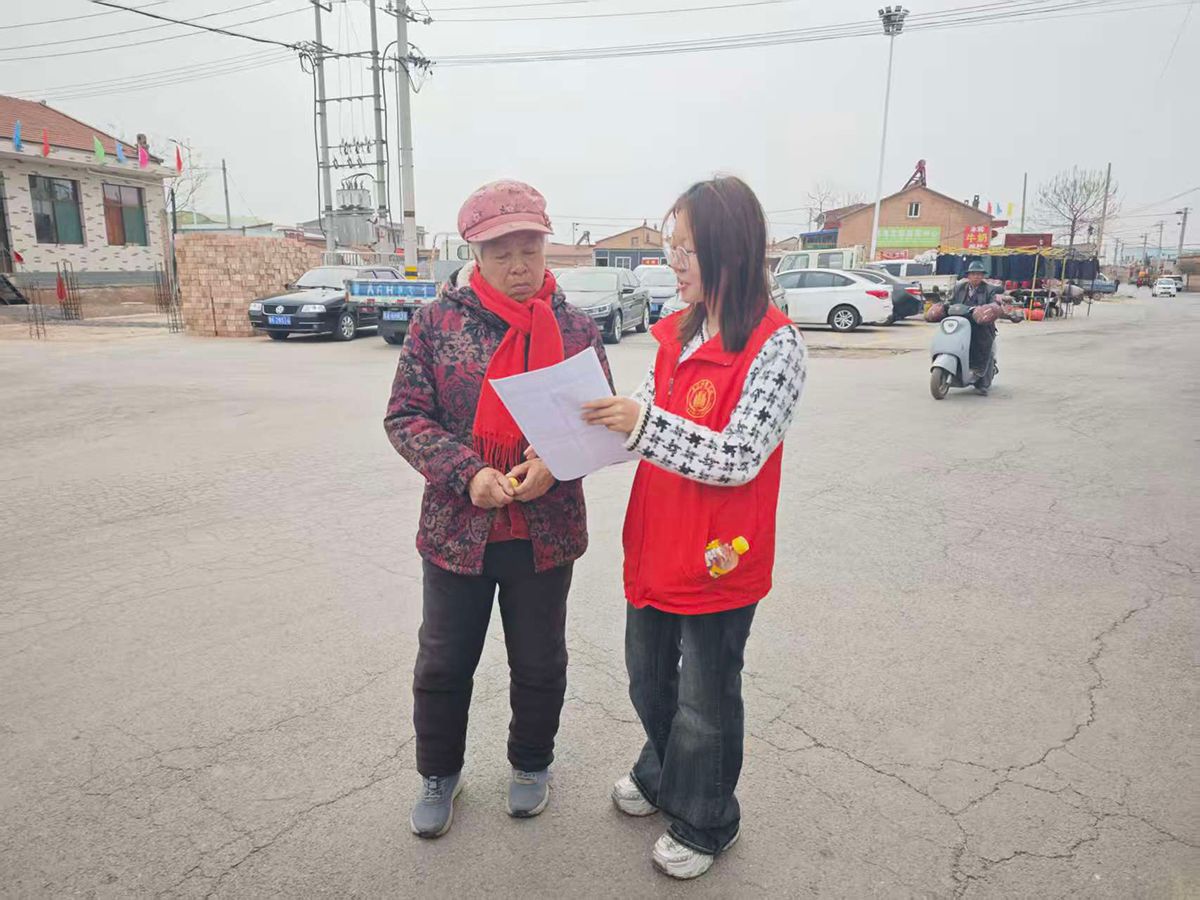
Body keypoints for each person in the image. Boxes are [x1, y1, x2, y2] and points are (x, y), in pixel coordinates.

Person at [583, 176, 807, 880]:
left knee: (705, 700)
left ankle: (709, 818)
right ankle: (661, 772)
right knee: (648, 679)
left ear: (728, 250)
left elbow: (738, 456)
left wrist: (641, 424)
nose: (672, 263)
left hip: (718, 558)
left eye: (685, 249)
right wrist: (569, 438)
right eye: (669, 247)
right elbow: (640, 418)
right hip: (657, 543)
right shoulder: (677, 334)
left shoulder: (776, 346)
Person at [384, 180, 609, 838]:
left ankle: (531, 763)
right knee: (443, 662)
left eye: (529, 249)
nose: (519, 266)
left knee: (540, 661)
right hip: (458, 530)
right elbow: (405, 417)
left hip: (545, 531)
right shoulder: (437, 324)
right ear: (474, 255)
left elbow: (601, 420)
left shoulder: (576, 329)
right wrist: (469, 473)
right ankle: (439, 773)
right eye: (501, 253)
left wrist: (554, 464)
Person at [950, 260, 1004, 394]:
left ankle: (982, 382)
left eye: (979, 274)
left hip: (982, 326)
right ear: (968, 275)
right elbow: (951, 303)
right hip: (962, 323)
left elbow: (993, 304)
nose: (976, 277)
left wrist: (988, 309)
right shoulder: (959, 288)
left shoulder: (989, 289)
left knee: (983, 345)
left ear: (983, 276)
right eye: (973, 274)